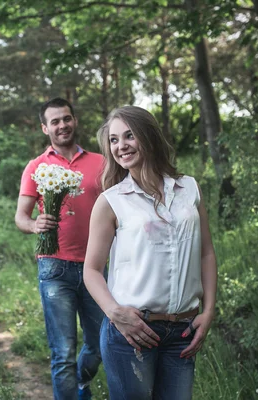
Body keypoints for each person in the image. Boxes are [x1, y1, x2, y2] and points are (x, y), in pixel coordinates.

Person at [83, 106, 217, 399]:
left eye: (129, 136)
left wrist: (208, 311)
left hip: (183, 331)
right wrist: (114, 313)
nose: (121, 146)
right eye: (114, 140)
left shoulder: (189, 189)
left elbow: (206, 252)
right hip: (131, 333)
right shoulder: (111, 201)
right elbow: (91, 269)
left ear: (149, 135)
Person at [15, 97, 105, 400]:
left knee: (101, 343)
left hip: (98, 267)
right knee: (63, 353)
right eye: (55, 121)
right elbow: (20, 218)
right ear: (45, 128)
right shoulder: (37, 167)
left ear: (75, 121)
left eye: (66, 118)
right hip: (55, 267)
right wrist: (34, 225)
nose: (62, 125)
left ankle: (81, 382)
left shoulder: (101, 162)